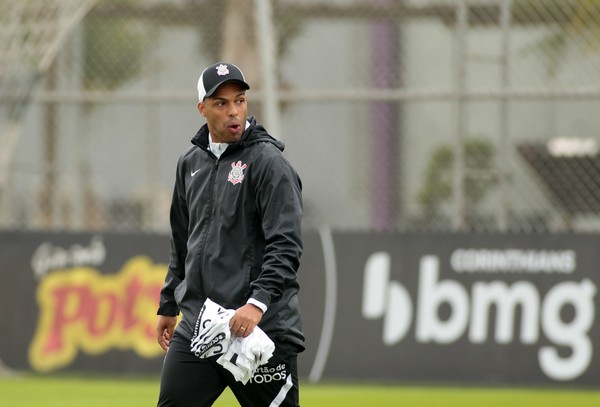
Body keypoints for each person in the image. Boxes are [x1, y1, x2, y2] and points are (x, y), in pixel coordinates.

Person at [156, 62, 304, 407]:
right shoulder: (189, 163)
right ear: (202, 109)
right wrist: (169, 302)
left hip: (259, 328)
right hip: (200, 325)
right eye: (221, 103)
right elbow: (182, 240)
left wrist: (257, 304)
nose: (233, 111)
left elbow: (286, 244)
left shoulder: (269, 163)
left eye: (239, 100)